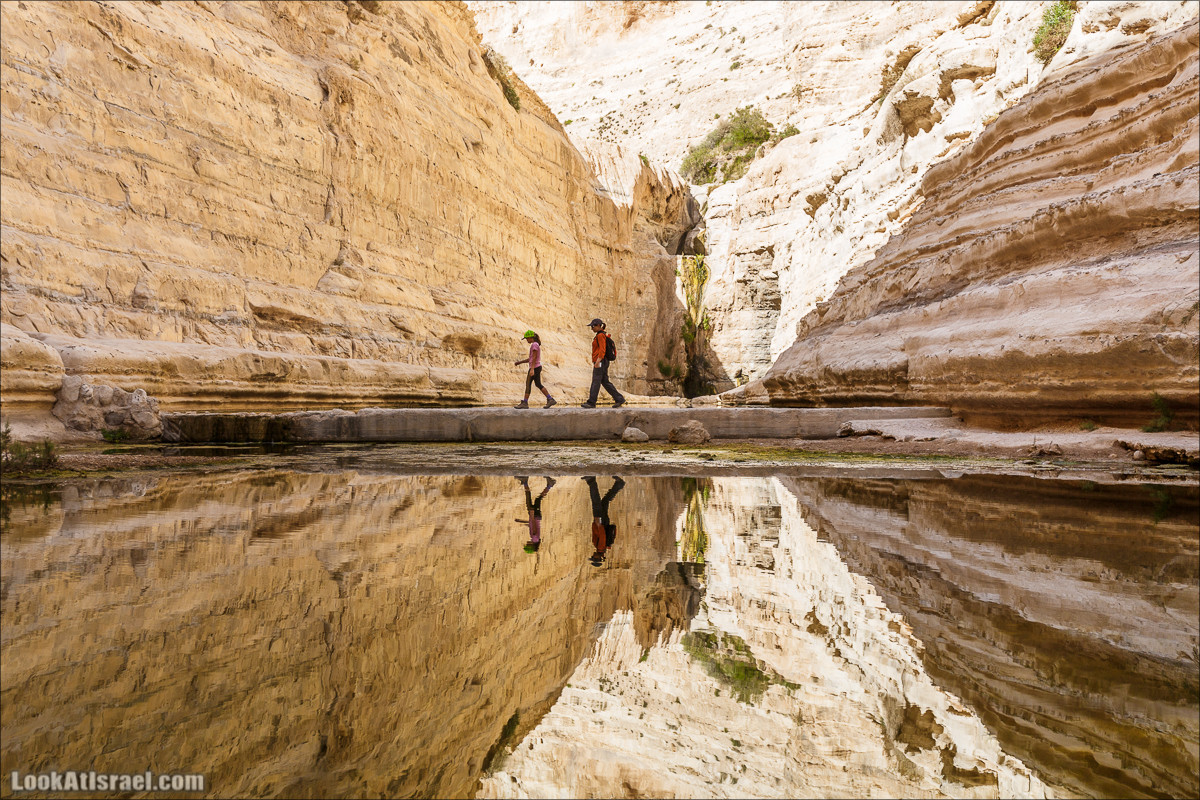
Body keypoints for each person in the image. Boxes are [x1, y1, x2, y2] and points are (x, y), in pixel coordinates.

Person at [580, 318, 625, 408]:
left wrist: (598, 361)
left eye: (593, 326)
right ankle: (619, 399)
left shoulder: (600, 336)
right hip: (603, 361)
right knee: (605, 382)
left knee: (596, 381)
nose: (591, 328)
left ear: (598, 326)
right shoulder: (601, 335)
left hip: (601, 361)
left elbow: (602, 349)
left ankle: (591, 402)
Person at [583, 475, 625, 565]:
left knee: (605, 501)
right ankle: (591, 481)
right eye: (595, 558)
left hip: (604, 522)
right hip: (601, 522)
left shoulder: (603, 548)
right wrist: (598, 523)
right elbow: (602, 535)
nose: (593, 556)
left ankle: (619, 484)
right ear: (600, 557)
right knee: (596, 502)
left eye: (593, 557)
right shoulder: (601, 547)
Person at [514, 330, 557, 408]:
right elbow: (530, 358)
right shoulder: (535, 344)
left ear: (531, 337)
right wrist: (520, 362)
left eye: (527, 338)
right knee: (538, 384)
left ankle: (525, 403)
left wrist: (532, 369)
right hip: (537, 367)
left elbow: (534, 357)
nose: (526, 340)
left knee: (528, 384)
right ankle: (550, 399)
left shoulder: (534, 345)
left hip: (535, 367)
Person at [516, 476, 555, 552]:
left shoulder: (536, 539)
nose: (527, 543)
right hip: (534, 516)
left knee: (536, 500)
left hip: (535, 517)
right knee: (533, 499)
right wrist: (532, 514)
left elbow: (531, 526)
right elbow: (533, 525)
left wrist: (522, 522)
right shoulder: (534, 538)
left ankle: (526, 482)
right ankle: (526, 482)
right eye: (527, 544)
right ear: (530, 546)